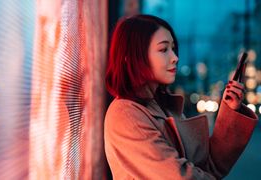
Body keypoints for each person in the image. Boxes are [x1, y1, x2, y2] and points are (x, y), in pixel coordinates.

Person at [104, 14, 258, 179]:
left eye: (173, 49)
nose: (175, 58)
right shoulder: (126, 114)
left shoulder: (162, 106)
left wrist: (231, 110)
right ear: (133, 57)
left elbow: (208, 166)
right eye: (163, 49)